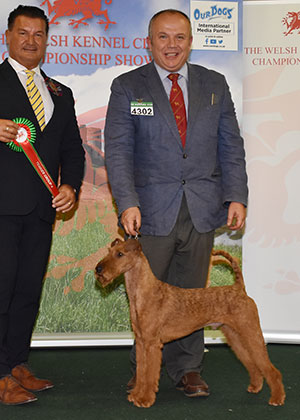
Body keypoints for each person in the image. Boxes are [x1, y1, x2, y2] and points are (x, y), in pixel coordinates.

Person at [104, 9, 248, 398]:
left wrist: (237, 194)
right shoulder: (127, 87)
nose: (172, 45)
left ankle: (188, 370)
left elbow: (231, 145)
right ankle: (142, 372)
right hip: (148, 213)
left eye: (180, 37)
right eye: (163, 37)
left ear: (190, 41)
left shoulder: (214, 84)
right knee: (146, 301)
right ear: (149, 42)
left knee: (192, 298)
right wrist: (127, 203)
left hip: (202, 207)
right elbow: (118, 151)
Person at [0, 5, 85, 405]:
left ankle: (16, 364)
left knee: (26, 292)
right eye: (23, 33)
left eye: (38, 34)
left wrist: (70, 185)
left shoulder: (60, 92)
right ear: (7, 36)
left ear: (47, 41)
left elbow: (72, 147)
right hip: (2, 209)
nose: (31, 40)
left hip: (42, 210)